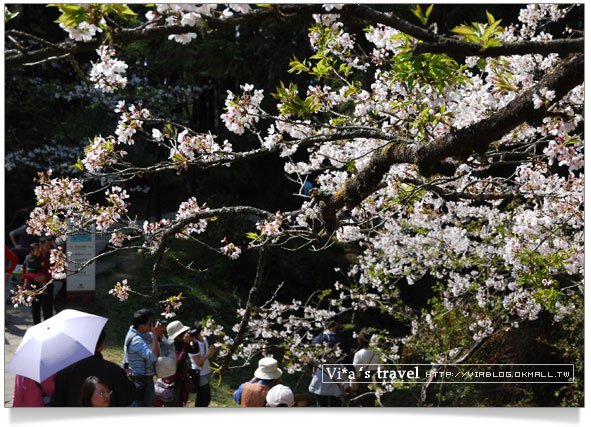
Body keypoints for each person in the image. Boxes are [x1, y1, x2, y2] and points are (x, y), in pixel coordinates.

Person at [52, 329, 134, 407]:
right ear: (102, 345)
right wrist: (128, 378)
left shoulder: (65, 371)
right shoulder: (115, 370)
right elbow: (125, 400)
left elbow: (58, 402)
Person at [122, 308, 165, 407]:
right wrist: (155, 335)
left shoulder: (142, 332)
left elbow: (158, 344)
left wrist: (159, 334)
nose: (152, 326)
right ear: (141, 326)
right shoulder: (136, 340)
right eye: (150, 323)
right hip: (141, 381)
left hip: (144, 378)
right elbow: (152, 356)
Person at [308, 320, 350, 407]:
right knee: (336, 402)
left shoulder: (317, 339)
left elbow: (311, 359)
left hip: (321, 371)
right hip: (337, 372)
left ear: (323, 324)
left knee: (321, 401)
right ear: (335, 326)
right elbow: (346, 360)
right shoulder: (341, 341)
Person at [154, 320, 192, 407]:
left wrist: (194, 341)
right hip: (171, 383)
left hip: (179, 381)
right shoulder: (169, 346)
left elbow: (194, 351)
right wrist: (186, 345)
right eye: (182, 333)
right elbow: (177, 362)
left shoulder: (181, 343)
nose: (185, 334)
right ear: (176, 336)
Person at [188, 320, 218, 407]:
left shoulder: (204, 339)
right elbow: (198, 363)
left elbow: (207, 356)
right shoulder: (193, 344)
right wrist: (209, 353)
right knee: (205, 399)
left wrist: (212, 351)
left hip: (206, 371)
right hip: (199, 374)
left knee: (201, 398)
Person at [351, 328, 382, 407]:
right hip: (377, 383)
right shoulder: (379, 352)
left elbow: (355, 372)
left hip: (363, 385)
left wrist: (353, 387)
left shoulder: (359, 354)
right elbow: (382, 369)